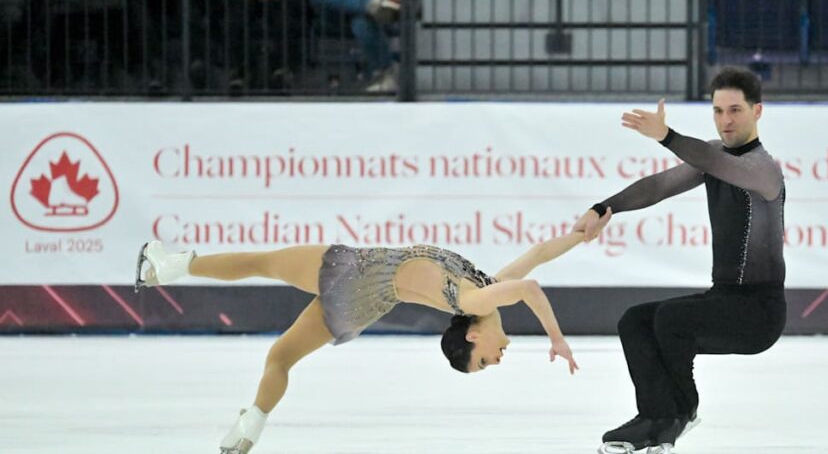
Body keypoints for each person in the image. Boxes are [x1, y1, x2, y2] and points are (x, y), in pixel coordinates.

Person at [134, 224, 596, 453]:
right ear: (473, 335)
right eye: (485, 364)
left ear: (472, 336)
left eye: (481, 363)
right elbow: (536, 259)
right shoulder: (482, 291)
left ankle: (174, 266)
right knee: (281, 358)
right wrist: (581, 233)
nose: (495, 361)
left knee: (262, 262)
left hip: (356, 271)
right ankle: (248, 428)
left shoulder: (476, 300)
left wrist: (556, 338)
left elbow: (530, 288)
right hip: (365, 303)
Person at [572, 67, 787, 453]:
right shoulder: (714, 156)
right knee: (635, 320)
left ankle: (678, 414)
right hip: (722, 299)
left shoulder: (764, 170)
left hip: (759, 312)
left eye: (735, 110)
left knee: (671, 320)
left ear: (758, 111)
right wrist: (605, 207)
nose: (726, 120)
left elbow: (716, 162)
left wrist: (667, 136)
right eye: (718, 111)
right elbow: (659, 185)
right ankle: (653, 418)